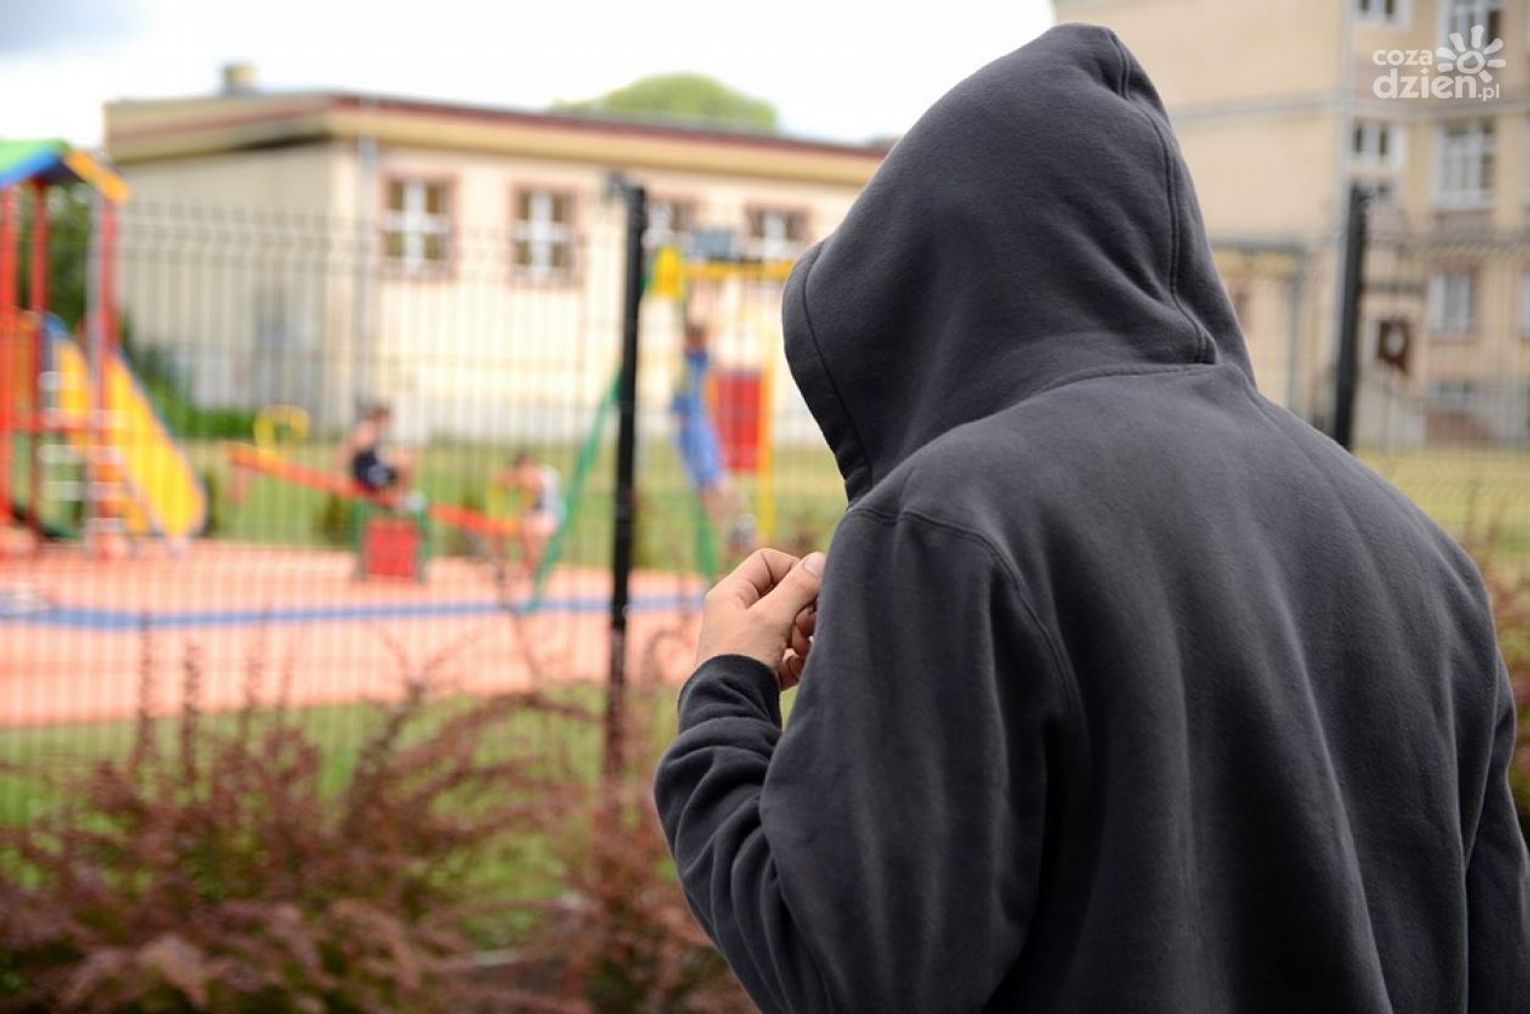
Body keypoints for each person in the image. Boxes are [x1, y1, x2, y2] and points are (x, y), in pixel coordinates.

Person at [653, 25, 1529, 1014]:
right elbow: (1496, 963)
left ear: (931, 275)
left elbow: (846, 973)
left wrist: (724, 690)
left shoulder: (952, 525)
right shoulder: (1422, 557)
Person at [671, 317, 755, 555]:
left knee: (715, 481)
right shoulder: (690, 360)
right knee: (704, 488)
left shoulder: (699, 359)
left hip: (694, 429)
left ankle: (742, 524)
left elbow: (714, 355)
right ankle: (731, 532)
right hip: (690, 430)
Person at [493, 450, 562, 576]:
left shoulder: (545, 475)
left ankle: (538, 567)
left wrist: (518, 480)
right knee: (497, 530)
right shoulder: (523, 476)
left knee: (528, 529)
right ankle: (502, 567)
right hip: (532, 519)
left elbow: (534, 487)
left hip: (549, 518)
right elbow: (497, 480)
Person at [340, 402, 414, 506]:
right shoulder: (368, 430)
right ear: (380, 418)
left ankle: (400, 498)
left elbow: (378, 456)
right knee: (404, 463)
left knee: (405, 458)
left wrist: (392, 459)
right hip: (366, 475)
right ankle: (400, 500)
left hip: (373, 470)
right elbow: (350, 448)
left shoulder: (376, 432)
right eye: (388, 420)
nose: (389, 424)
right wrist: (339, 471)